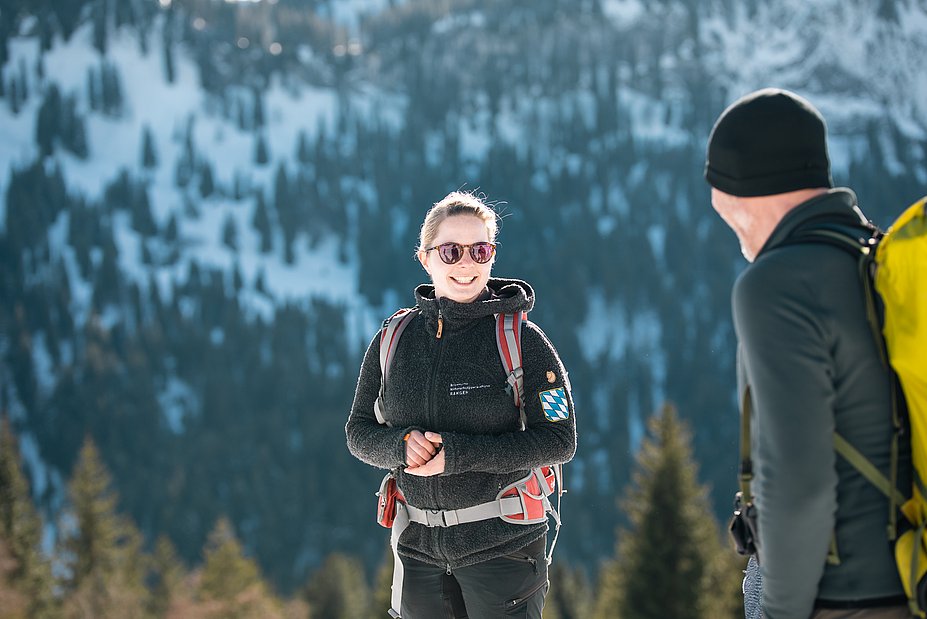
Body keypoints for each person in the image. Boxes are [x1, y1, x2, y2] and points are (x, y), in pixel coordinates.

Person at [704, 88, 912, 619]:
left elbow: (797, 480)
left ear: (738, 191)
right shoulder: (873, 260)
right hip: (907, 580)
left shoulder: (776, 283)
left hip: (836, 596)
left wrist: (780, 610)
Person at [346, 190, 576, 618]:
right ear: (425, 257)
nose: (466, 263)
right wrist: (399, 446)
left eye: (480, 250)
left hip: (504, 552)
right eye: (451, 251)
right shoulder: (393, 340)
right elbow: (358, 433)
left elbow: (560, 441)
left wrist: (458, 456)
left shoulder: (523, 342)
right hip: (417, 555)